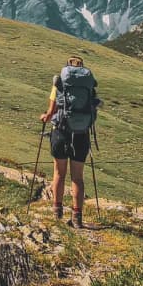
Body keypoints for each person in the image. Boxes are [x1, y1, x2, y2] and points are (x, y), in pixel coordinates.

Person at [39, 54, 100, 228]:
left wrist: (44, 117)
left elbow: (51, 112)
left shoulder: (59, 83)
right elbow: (94, 106)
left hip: (61, 132)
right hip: (81, 134)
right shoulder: (89, 85)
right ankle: (77, 217)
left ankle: (57, 212)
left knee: (59, 173)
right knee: (78, 178)